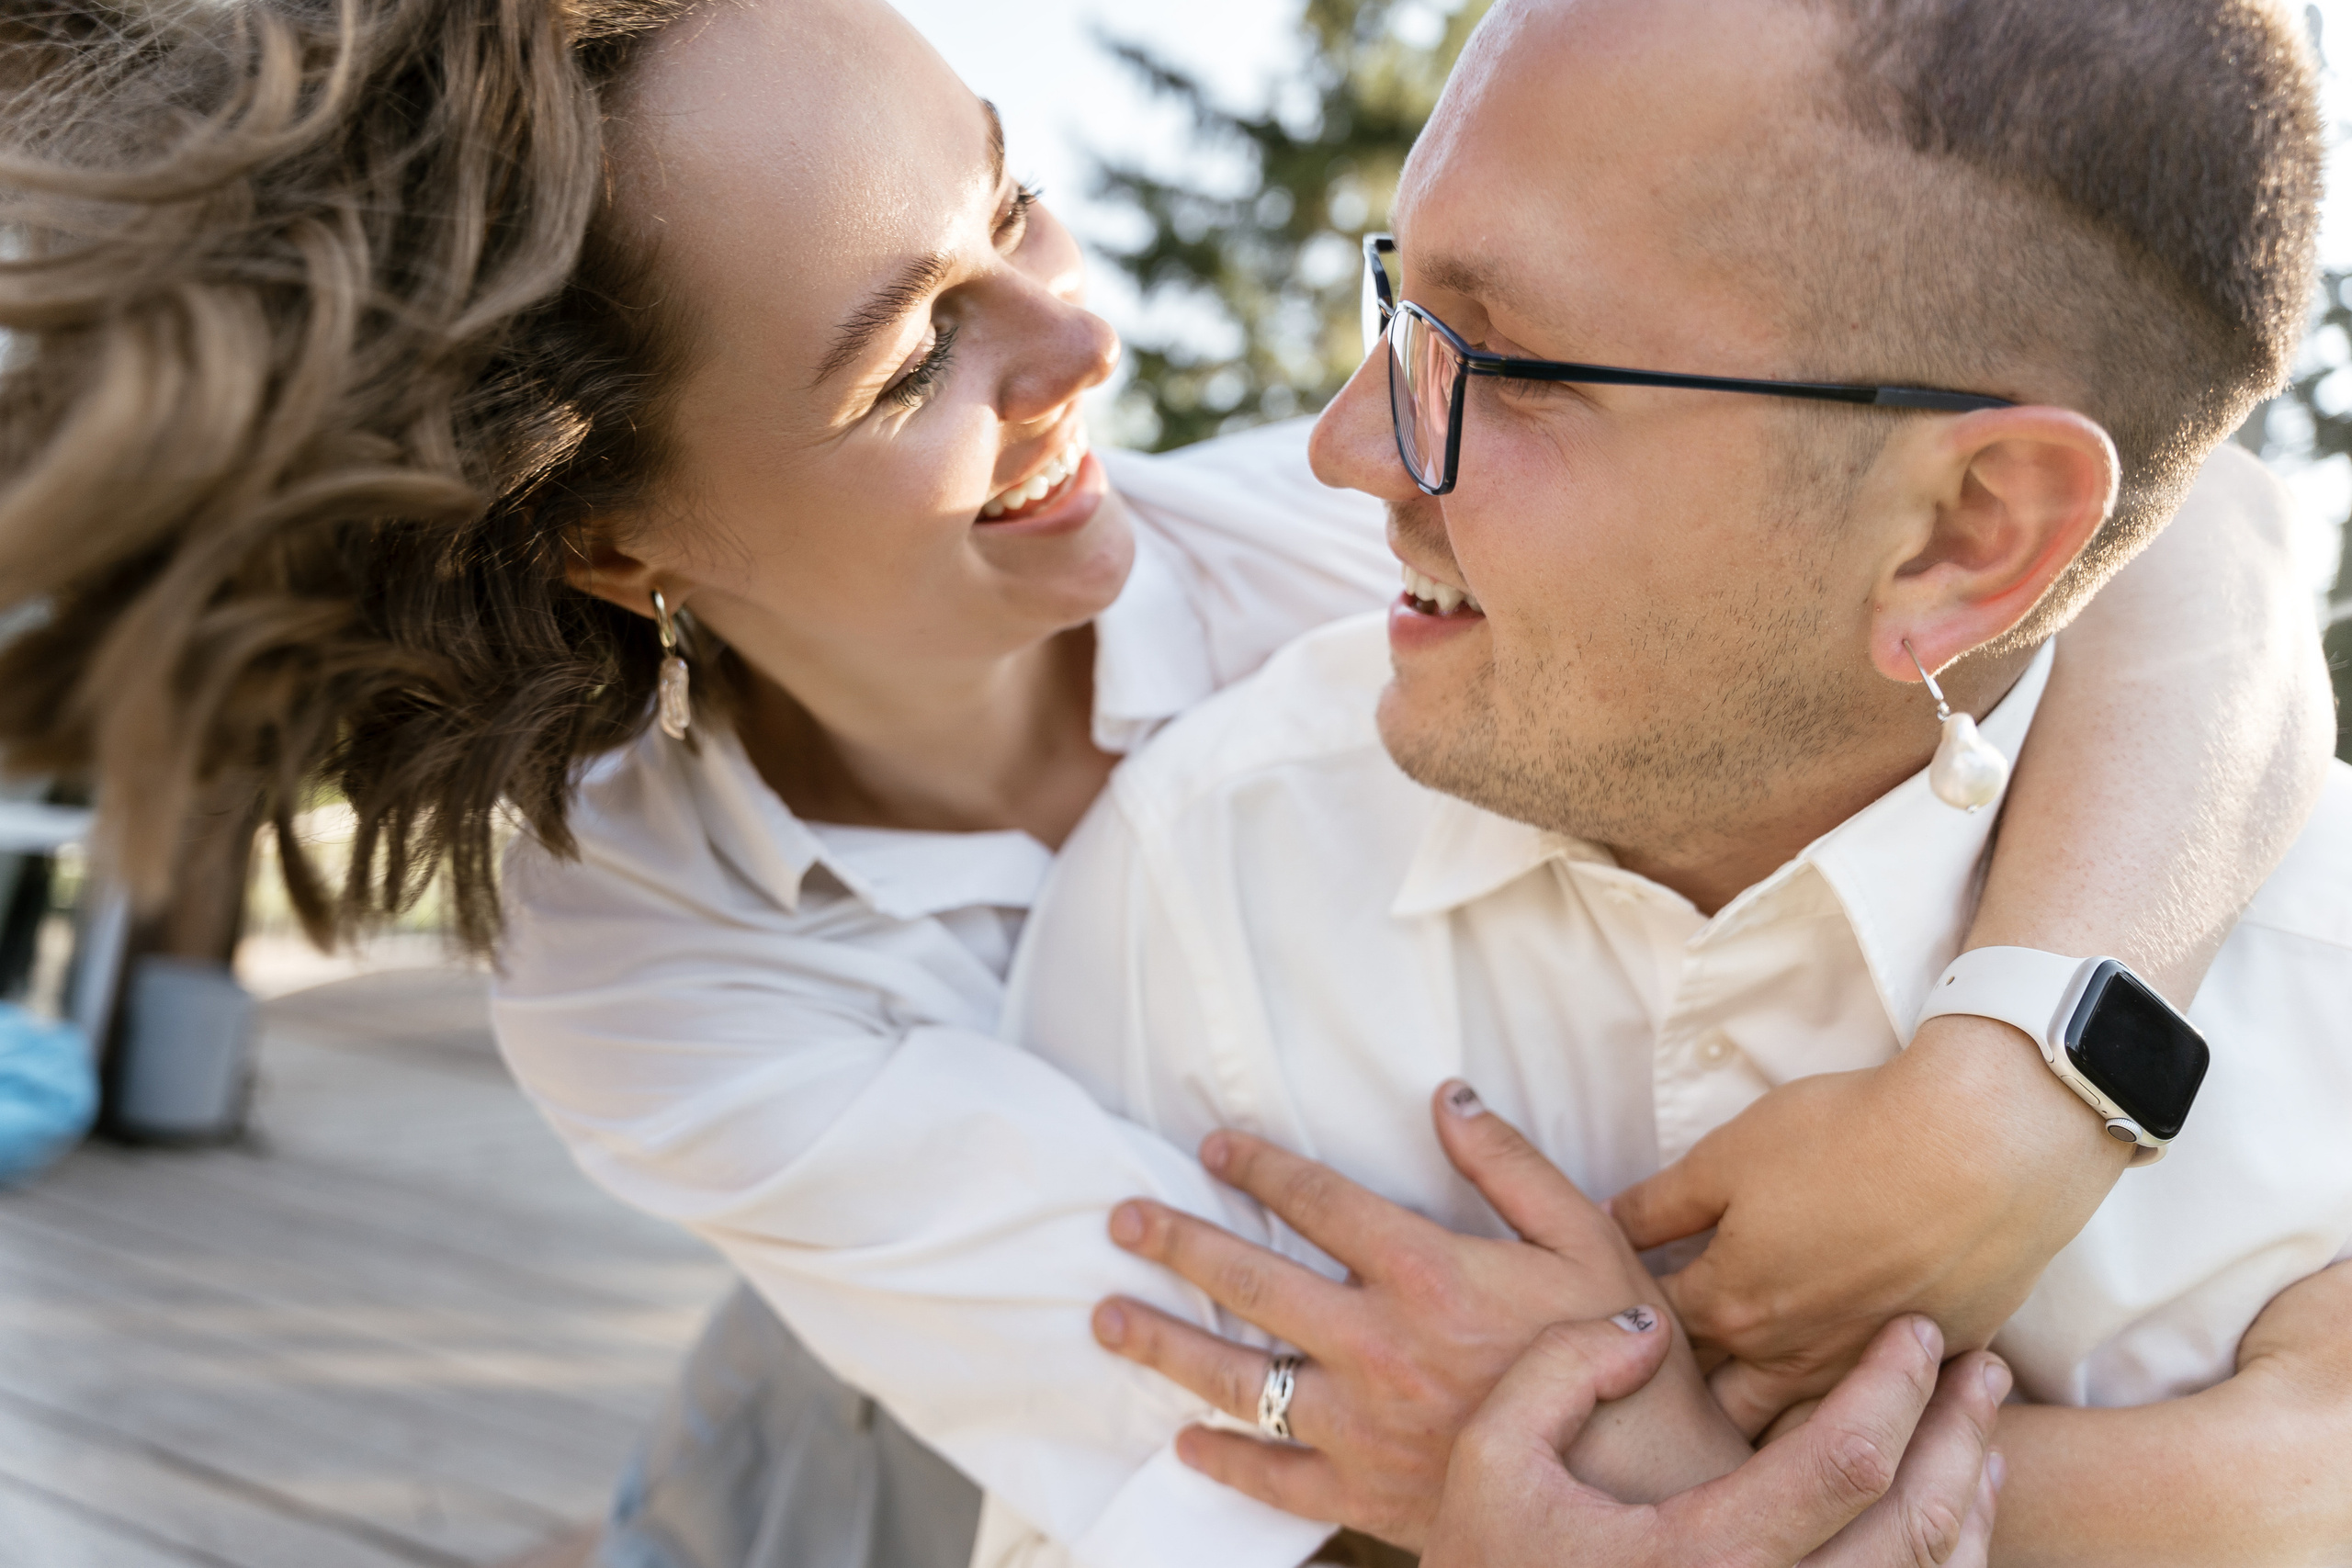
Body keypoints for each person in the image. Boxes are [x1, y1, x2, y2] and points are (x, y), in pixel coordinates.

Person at [0, 2, 2328, 1567]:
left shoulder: (1342, 535)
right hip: (901, 1393)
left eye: (1008, 201)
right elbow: (1336, 1425)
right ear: (617, 536)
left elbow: (2167, 495)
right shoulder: (648, 963)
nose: (1082, 337)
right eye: (921, 344)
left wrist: (2026, 1066)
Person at [1005, 0, 2352, 1562]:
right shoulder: (1211, 886)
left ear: (1965, 534)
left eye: (1502, 365)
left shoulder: (2322, 1026)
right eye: (1402, 309)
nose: (1346, 449)